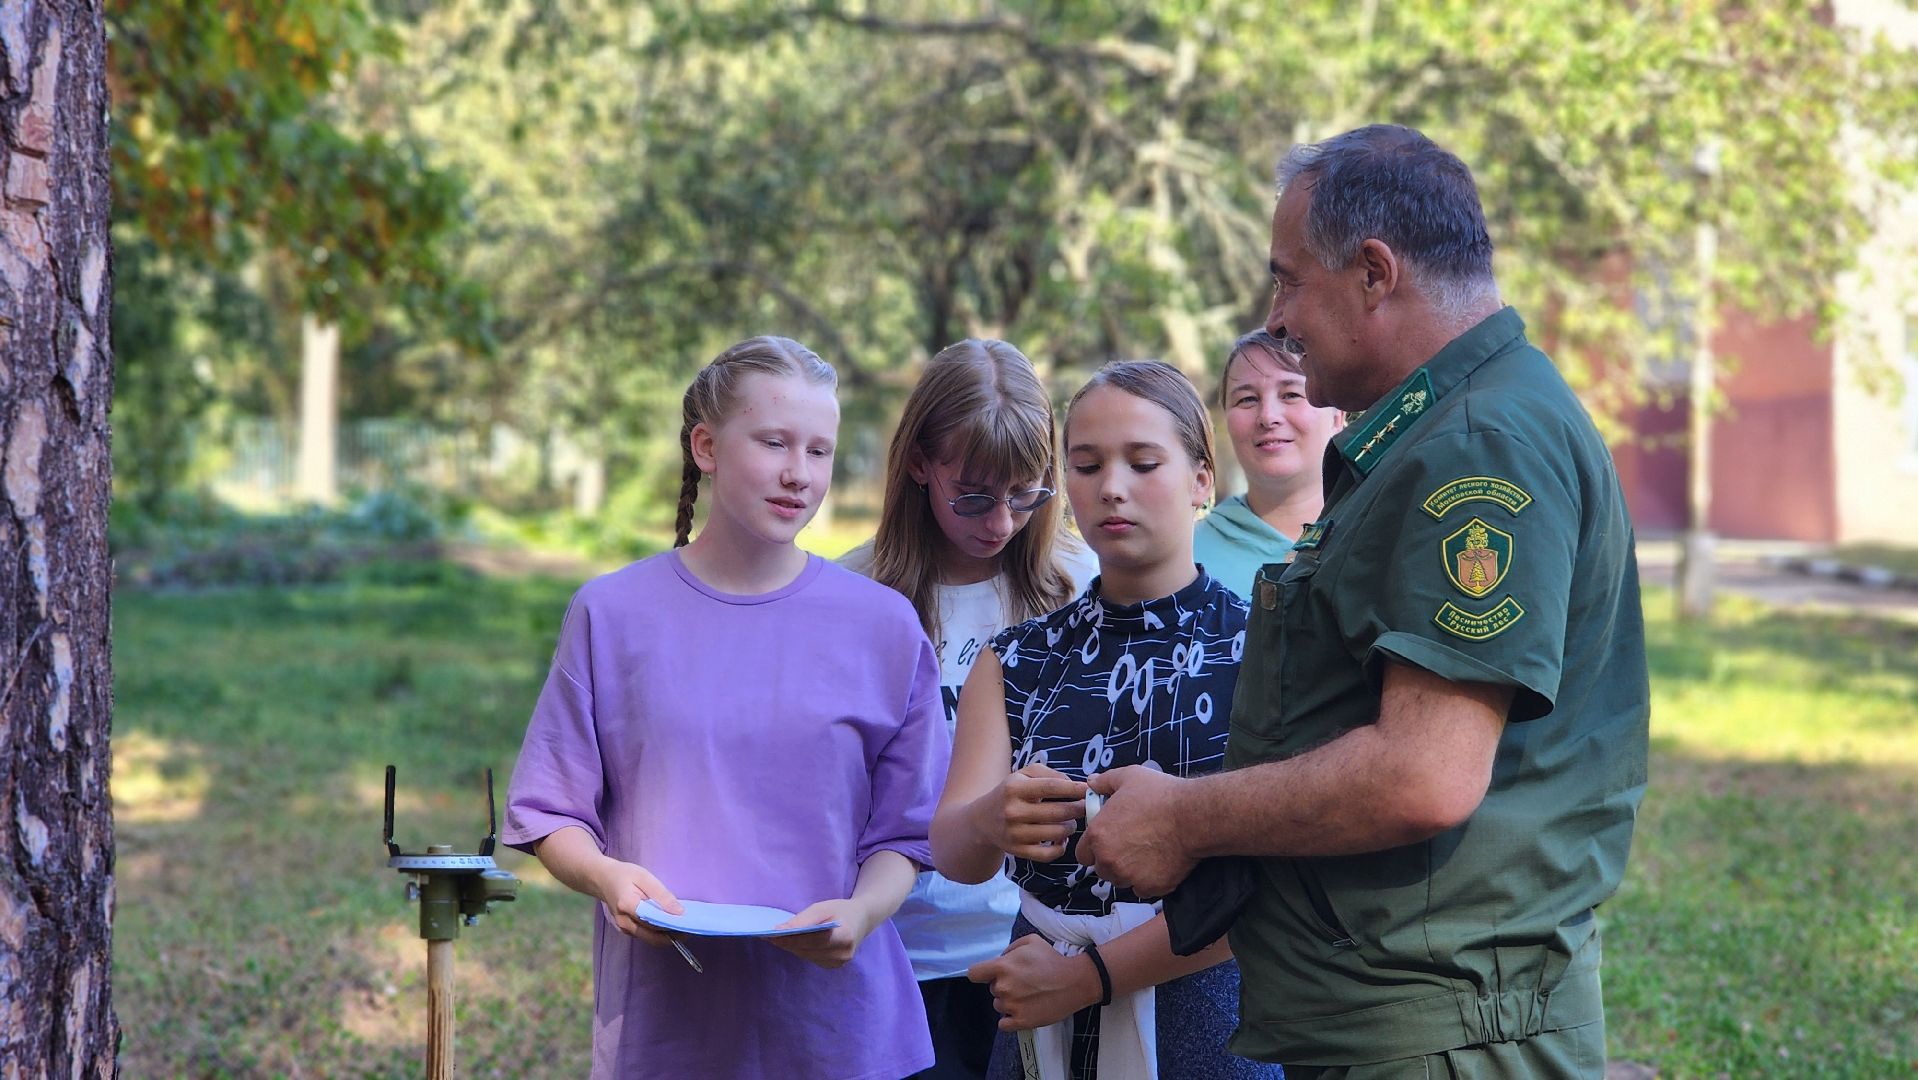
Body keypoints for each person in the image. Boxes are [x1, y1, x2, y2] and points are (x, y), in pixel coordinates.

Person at [1078, 124, 1650, 1079]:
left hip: (1443, 1037)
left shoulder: (1476, 446)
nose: (1277, 318)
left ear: (1375, 273)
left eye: (1289, 279)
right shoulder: (1442, 431)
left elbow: (1423, 774)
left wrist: (1186, 818)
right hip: (1404, 1019)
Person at [502, 335, 948, 1080]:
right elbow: (550, 812)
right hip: (668, 1031)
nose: (797, 474)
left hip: (839, 1032)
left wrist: (864, 913)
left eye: (819, 452)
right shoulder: (612, 614)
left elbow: (908, 833)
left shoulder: (883, 626)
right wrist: (608, 878)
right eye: (774, 442)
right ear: (705, 446)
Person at [932, 360, 1282, 1080]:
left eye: (1143, 461)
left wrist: (1092, 977)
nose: (1111, 487)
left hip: (1207, 1003)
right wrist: (991, 822)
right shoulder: (1015, 659)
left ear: (1202, 480)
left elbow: (1276, 879)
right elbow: (954, 852)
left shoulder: (1265, 651)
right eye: (1086, 465)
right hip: (1039, 994)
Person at [841, 338, 1098, 1079]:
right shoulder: (851, 598)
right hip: (894, 955)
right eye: (975, 496)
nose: (1002, 522)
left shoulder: (1080, 586)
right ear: (919, 462)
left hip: (1040, 952)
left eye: (1026, 495)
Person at [1194, 329, 1344, 599]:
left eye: (1290, 394)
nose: (1268, 417)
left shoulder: (1380, 534)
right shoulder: (1184, 559)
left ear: (1337, 417)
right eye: (1247, 399)